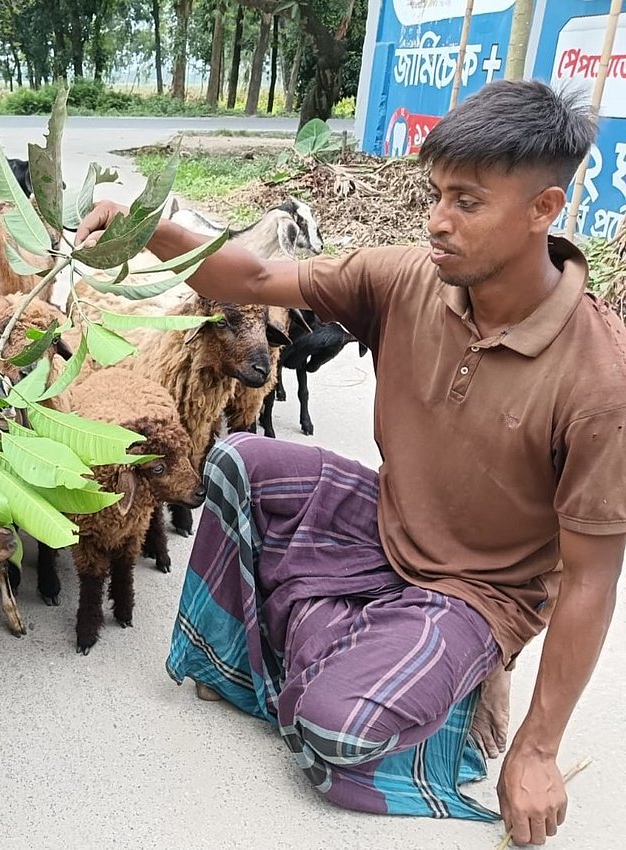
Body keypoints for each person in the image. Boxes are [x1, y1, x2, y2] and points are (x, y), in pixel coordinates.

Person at [76, 80, 625, 847]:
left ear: (544, 210)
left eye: (467, 203)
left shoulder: (601, 379)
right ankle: (347, 642)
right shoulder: (410, 276)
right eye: (434, 194)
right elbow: (258, 280)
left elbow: (593, 581)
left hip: (479, 590)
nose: (437, 222)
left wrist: (538, 748)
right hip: (386, 520)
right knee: (235, 461)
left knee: (333, 730)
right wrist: (147, 227)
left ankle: (414, 675)